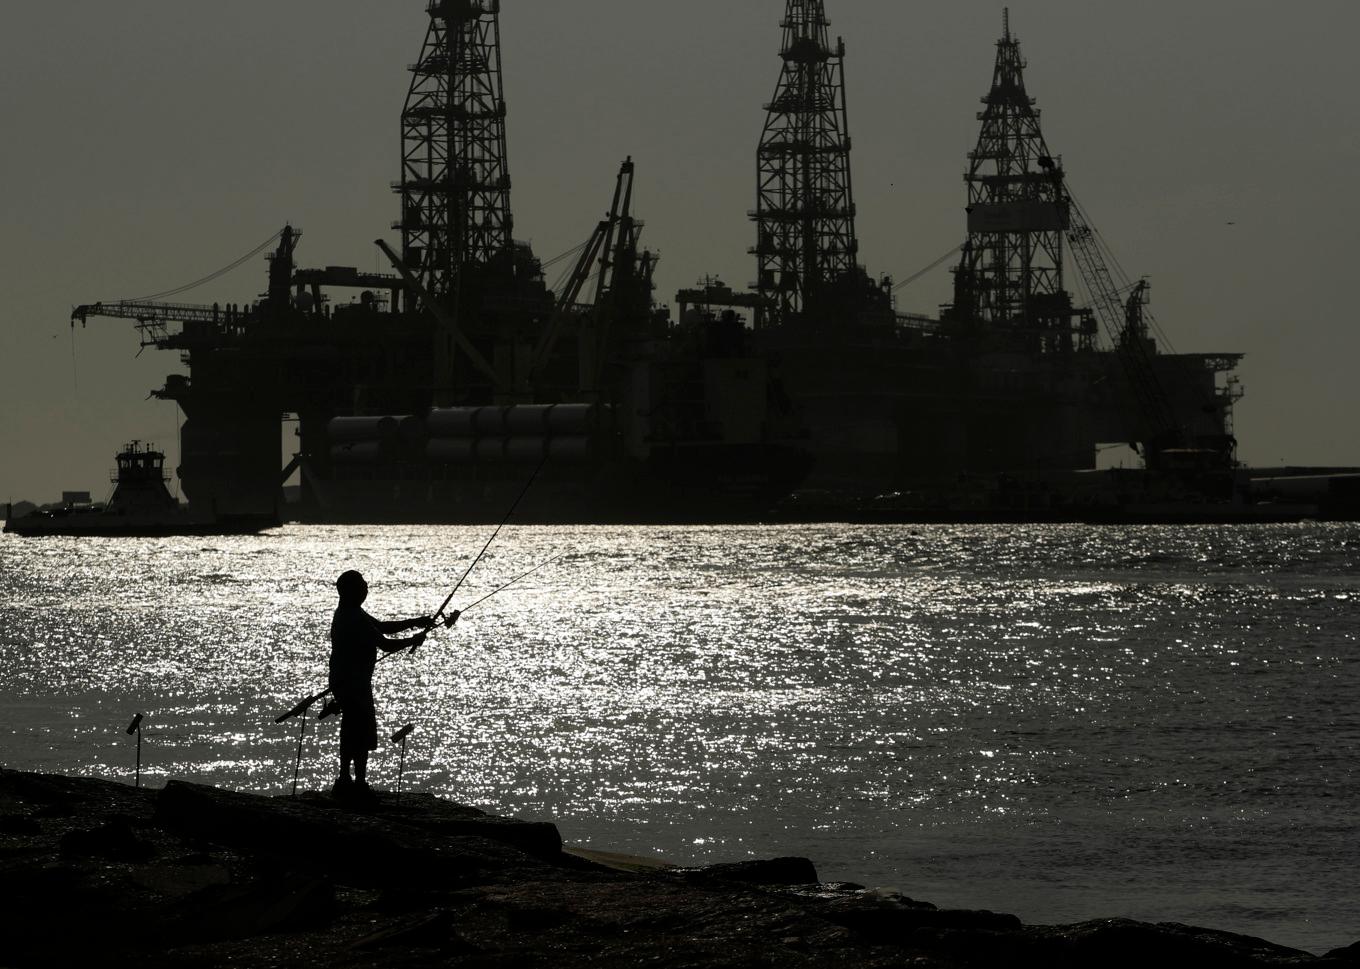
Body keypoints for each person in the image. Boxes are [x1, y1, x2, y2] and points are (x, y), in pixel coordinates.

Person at [328, 570, 454, 803]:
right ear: (351, 591)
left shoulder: (352, 612)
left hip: (348, 680)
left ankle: (348, 780)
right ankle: (355, 784)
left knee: (352, 729)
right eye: (362, 586)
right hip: (351, 682)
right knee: (359, 730)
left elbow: (382, 627)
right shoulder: (351, 617)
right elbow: (385, 644)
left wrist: (417, 622)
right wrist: (412, 641)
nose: (366, 589)